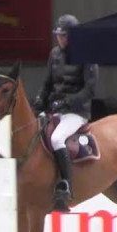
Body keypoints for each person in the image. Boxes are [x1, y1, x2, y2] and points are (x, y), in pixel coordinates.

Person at [32, 14, 99, 212]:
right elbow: (47, 83)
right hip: (56, 109)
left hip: (76, 112)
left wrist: (68, 101)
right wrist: (39, 101)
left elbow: (90, 89)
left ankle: (66, 187)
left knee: (57, 138)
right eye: (58, 35)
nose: (60, 39)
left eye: (64, 36)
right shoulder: (54, 54)